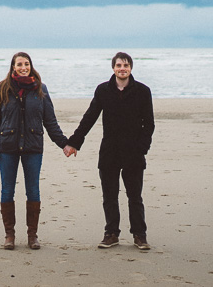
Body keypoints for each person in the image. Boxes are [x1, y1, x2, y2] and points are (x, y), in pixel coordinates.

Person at [65, 51, 155, 251]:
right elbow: (90, 117)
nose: (122, 69)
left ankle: (140, 235)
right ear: (113, 68)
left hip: (133, 152)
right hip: (109, 151)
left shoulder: (142, 91)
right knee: (110, 195)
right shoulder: (103, 90)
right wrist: (73, 142)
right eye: (119, 65)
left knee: (135, 196)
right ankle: (111, 234)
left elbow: (149, 124)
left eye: (126, 66)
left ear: (131, 68)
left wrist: (142, 148)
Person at [0, 51, 71, 250]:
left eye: (26, 64)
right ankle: (10, 235)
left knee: (33, 190)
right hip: (7, 147)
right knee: (7, 190)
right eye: (19, 64)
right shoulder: (2, 88)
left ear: (31, 66)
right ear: (13, 67)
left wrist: (65, 144)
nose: (23, 67)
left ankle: (32, 236)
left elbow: (50, 122)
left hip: (33, 147)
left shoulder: (40, 89)